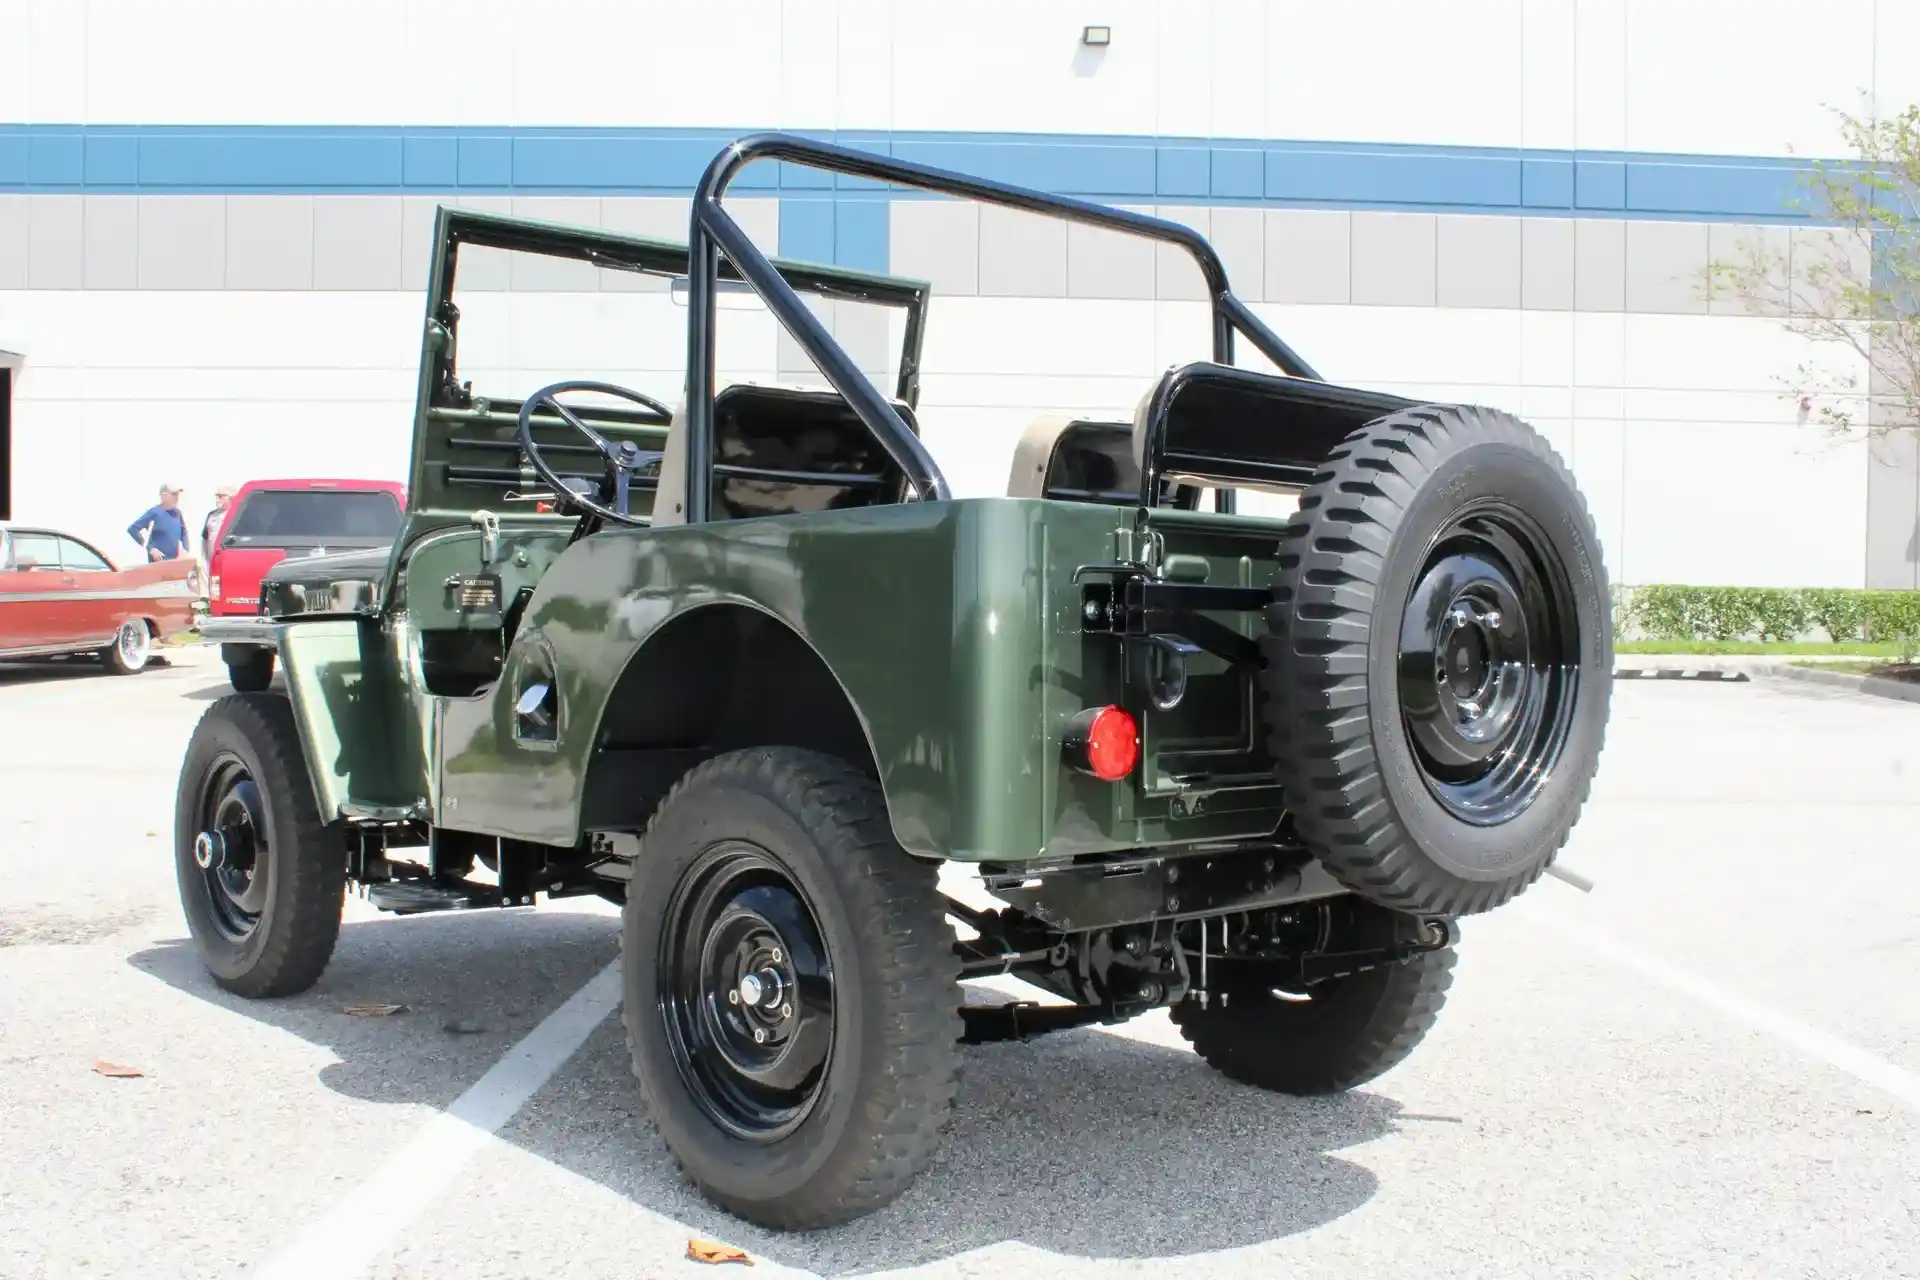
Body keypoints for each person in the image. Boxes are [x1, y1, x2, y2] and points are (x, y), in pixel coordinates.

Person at [127, 484, 191, 562]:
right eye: (174, 494)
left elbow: (184, 534)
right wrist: (150, 548)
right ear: (163, 496)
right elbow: (133, 529)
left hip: (173, 562)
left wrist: (185, 549)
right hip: (157, 562)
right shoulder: (155, 512)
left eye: (177, 495)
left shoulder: (177, 513)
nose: (177, 497)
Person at [201, 485, 235, 558]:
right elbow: (205, 537)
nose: (217, 500)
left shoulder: (236, 515)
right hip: (212, 557)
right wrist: (204, 557)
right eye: (217, 497)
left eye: (220, 497)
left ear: (230, 498)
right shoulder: (212, 514)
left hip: (228, 558)